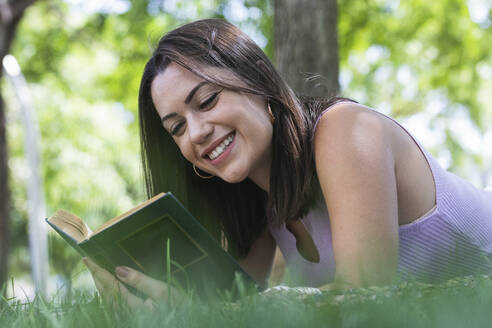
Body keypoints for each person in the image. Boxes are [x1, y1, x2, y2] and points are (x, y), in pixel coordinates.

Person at [83, 18, 492, 308]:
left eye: (206, 101)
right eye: (176, 128)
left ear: (258, 82)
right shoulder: (253, 200)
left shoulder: (345, 131)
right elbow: (233, 310)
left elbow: (365, 297)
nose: (195, 133)